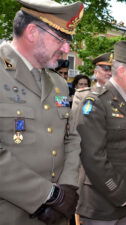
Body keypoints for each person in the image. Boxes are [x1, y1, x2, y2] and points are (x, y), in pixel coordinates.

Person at [0, 0, 84, 224]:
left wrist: (67, 187)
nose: (67, 49)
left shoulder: (58, 83)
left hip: (59, 214)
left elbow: (71, 137)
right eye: (61, 39)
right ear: (33, 32)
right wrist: (47, 196)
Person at [76, 40, 126, 225]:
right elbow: (93, 158)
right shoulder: (95, 102)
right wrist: (125, 196)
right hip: (101, 205)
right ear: (121, 72)